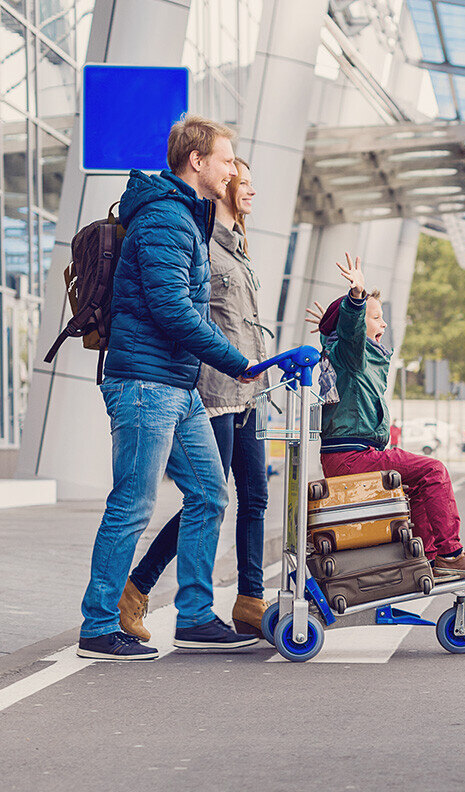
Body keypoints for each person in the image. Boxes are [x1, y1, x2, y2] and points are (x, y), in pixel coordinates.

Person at [77, 115, 260, 661]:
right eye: (226, 161)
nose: (232, 170)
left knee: (209, 492)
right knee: (132, 504)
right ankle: (98, 625)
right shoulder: (164, 217)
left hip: (174, 384)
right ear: (197, 162)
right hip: (143, 383)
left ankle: (196, 616)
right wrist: (236, 362)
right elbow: (172, 308)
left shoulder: (183, 215)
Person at [118, 157, 272, 642]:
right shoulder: (201, 241)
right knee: (206, 497)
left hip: (251, 390)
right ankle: (138, 586)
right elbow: (188, 316)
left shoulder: (240, 249)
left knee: (254, 496)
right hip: (214, 390)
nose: (245, 187)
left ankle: (250, 598)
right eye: (239, 178)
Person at [306, 255, 465, 579]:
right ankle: (450, 553)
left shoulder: (348, 355)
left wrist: (337, 321)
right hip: (352, 456)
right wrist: (356, 298)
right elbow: (351, 329)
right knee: (434, 470)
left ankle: (432, 556)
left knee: (421, 483)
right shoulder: (351, 354)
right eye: (377, 318)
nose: (383, 325)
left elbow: (345, 331)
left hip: (353, 455)